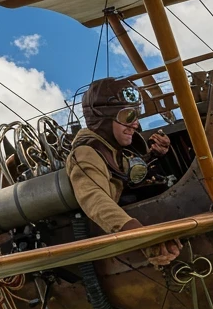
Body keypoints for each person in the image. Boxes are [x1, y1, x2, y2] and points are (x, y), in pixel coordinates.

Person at [66, 78, 181, 267]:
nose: (135, 124)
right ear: (102, 118)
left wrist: (154, 155)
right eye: (128, 116)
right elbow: (94, 198)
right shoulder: (85, 153)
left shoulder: (110, 147)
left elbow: (123, 172)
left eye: (137, 115)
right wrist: (139, 235)